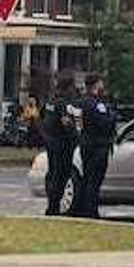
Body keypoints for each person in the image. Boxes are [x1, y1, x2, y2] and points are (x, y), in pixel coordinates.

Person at [72, 74, 115, 219]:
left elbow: (76, 123)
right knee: (94, 180)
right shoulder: (97, 104)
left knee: (86, 178)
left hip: (85, 143)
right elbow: (105, 124)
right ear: (96, 84)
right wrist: (112, 115)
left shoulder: (79, 102)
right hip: (98, 145)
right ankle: (91, 211)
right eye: (101, 83)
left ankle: (82, 208)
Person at [40, 76, 79, 216]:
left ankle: (52, 205)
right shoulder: (63, 104)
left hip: (51, 142)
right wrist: (77, 136)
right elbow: (67, 123)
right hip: (62, 144)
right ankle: (53, 207)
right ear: (68, 87)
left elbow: (43, 118)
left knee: (53, 174)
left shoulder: (50, 101)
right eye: (73, 87)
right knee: (61, 176)